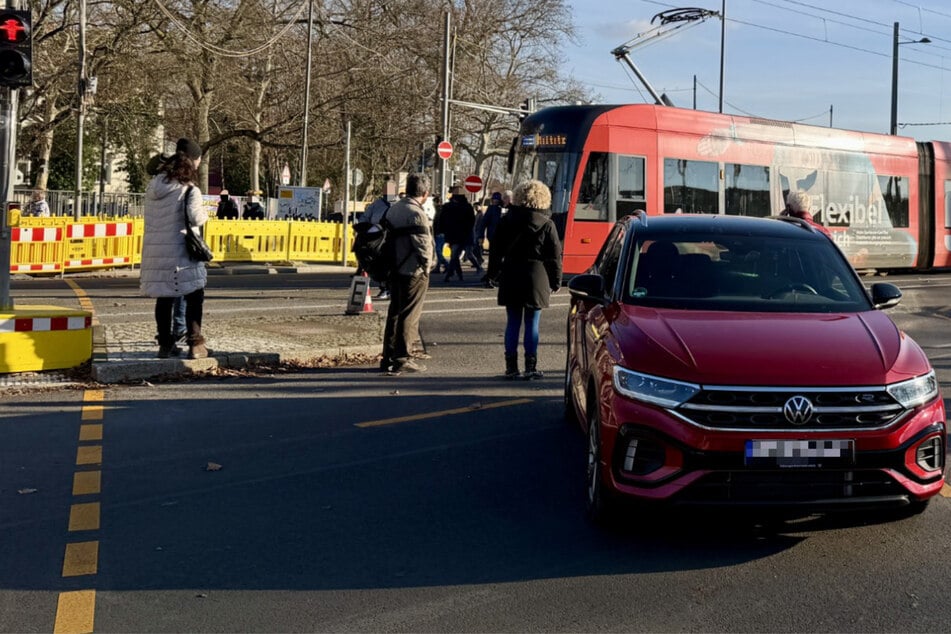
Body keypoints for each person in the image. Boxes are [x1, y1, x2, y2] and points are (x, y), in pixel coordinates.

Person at [140, 137, 210, 359]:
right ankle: (195, 344)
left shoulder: (154, 187)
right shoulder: (189, 190)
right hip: (182, 252)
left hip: (156, 251)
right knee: (194, 295)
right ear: (193, 161)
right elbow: (197, 218)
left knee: (164, 298)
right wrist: (206, 211)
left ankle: (165, 344)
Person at [486, 179, 563, 380]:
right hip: (537, 276)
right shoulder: (547, 224)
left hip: (511, 272)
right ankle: (531, 366)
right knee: (532, 323)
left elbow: (495, 250)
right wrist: (556, 280)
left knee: (512, 322)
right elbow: (554, 256)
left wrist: (492, 274)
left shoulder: (506, 220)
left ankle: (511, 367)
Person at [379, 172, 434, 376]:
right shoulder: (416, 213)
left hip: (395, 268)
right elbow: (424, 246)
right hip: (413, 270)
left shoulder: (394, 209)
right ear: (425, 193)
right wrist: (427, 268)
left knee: (395, 313)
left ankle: (388, 356)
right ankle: (403, 358)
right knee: (410, 315)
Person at [439, 185, 478, 282]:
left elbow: (471, 222)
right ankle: (455, 273)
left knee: (454, 255)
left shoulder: (455, 207)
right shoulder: (450, 207)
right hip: (456, 235)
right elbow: (442, 220)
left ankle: (451, 273)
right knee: (454, 255)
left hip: (459, 235)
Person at [361, 194, 394, 299]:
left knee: (390, 265)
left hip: (392, 238)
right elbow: (365, 218)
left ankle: (389, 288)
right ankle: (384, 287)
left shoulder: (399, 204)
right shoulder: (376, 204)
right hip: (377, 239)